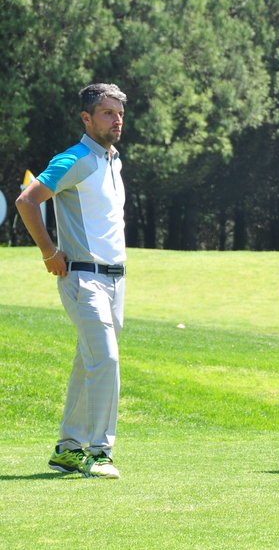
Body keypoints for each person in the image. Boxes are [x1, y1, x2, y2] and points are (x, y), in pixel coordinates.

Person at [16, 83, 128, 479]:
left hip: (115, 282)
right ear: (87, 118)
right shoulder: (73, 159)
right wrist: (49, 252)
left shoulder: (113, 161)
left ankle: (68, 448)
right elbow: (27, 200)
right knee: (106, 360)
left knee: (89, 362)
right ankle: (99, 453)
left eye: (119, 114)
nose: (117, 120)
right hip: (83, 279)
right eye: (107, 113)